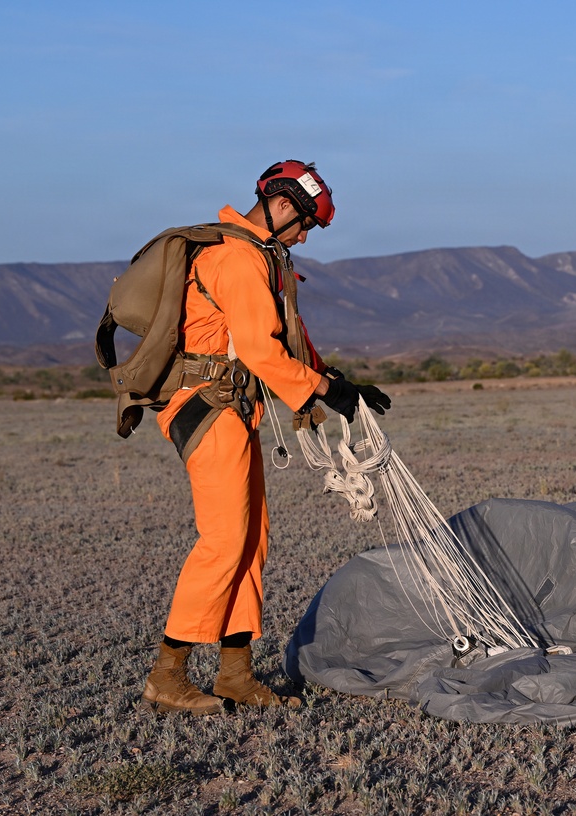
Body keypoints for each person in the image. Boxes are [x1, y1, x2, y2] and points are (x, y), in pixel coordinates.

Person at [140, 160, 391, 714]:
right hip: (207, 407)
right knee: (225, 540)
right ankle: (167, 675)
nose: (304, 237)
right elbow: (259, 351)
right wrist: (323, 390)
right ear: (281, 207)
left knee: (251, 540)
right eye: (305, 225)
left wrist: (337, 382)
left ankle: (235, 674)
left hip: (233, 408)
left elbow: (283, 337)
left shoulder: (258, 255)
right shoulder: (236, 257)